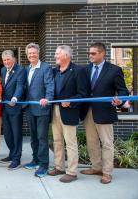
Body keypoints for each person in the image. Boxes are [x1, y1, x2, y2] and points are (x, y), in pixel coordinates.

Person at [80, 42, 128, 184]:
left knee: (106, 143)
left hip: (105, 112)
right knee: (91, 142)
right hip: (88, 111)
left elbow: (123, 91)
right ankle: (96, 167)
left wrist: (120, 100)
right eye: (89, 53)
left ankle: (107, 172)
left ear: (102, 53)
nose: (90, 56)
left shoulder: (114, 70)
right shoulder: (86, 69)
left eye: (93, 53)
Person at [48, 45, 87, 183]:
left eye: (57, 54)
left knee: (70, 143)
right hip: (55, 110)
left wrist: (70, 101)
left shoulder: (78, 71)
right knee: (57, 141)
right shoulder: (54, 71)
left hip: (69, 111)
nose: (55, 56)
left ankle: (72, 172)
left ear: (66, 55)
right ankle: (59, 167)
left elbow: (83, 94)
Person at [23, 43, 54, 178]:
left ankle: (43, 165)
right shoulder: (27, 69)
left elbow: (50, 85)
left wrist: (47, 98)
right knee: (33, 137)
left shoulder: (46, 68)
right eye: (29, 53)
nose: (31, 55)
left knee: (42, 138)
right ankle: (35, 160)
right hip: (30, 108)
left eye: (34, 53)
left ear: (38, 53)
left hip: (42, 108)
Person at [0, 50, 26, 170]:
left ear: (13, 59)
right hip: (5, 107)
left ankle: (17, 159)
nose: (6, 62)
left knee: (16, 134)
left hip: (15, 107)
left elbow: (20, 86)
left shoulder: (20, 70)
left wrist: (15, 98)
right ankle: (11, 153)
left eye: (8, 59)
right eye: (4, 60)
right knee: (7, 134)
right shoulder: (3, 70)